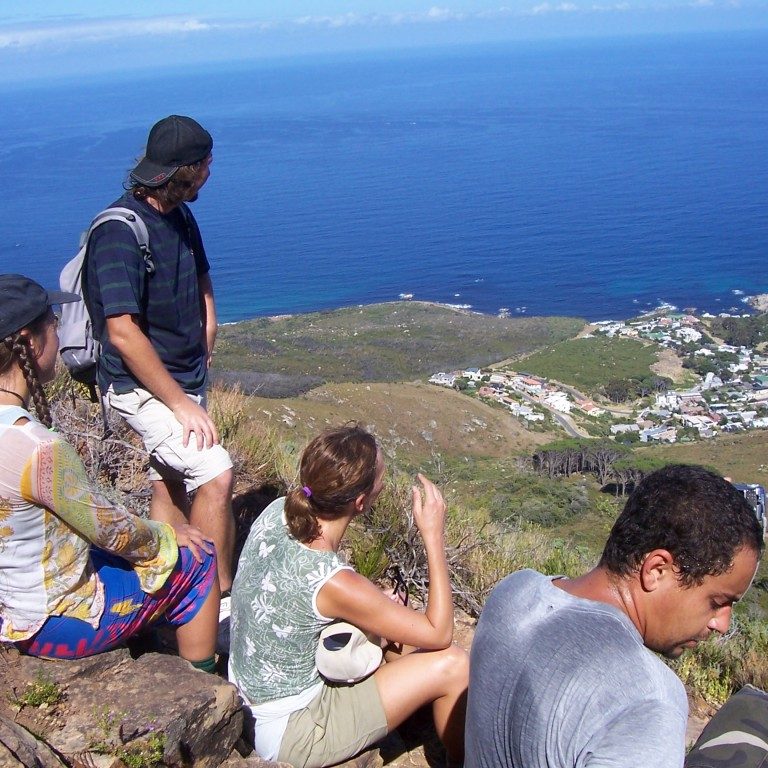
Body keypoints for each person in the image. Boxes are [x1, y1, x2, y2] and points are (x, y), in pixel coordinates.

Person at [465, 463, 764, 768]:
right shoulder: (647, 697)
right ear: (657, 570)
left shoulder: (516, 590)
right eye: (718, 602)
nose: (722, 624)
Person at [0, 274, 219, 670]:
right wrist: (170, 537)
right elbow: (111, 529)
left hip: (9, 603)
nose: (58, 327)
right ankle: (207, 686)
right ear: (30, 344)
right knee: (199, 561)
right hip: (55, 623)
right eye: (52, 319)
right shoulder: (37, 448)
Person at [229, 424, 468, 768]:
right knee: (454, 664)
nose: (383, 484)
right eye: (380, 479)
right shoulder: (333, 582)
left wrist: (373, 601)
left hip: (249, 694)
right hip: (294, 731)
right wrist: (433, 536)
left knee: (395, 633)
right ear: (359, 503)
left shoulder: (278, 510)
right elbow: (440, 632)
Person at [85, 114, 235, 595]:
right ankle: (213, 599)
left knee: (169, 479)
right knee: (216, 474)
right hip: (140, 386)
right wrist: (180, 402)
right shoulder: (119, 232)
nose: (211, 172)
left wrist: (206, 335)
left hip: (182, 376)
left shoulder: (178, 215)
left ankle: (163, 587)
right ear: (185, 170)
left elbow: (200, 278)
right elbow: (122, 332)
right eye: (206, 165)